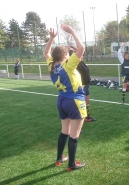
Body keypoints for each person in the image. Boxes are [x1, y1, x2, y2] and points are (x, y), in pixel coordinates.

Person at [44, 24, 86, 172]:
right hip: (74, 100)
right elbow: (81, 49)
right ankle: (72, 164)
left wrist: (51, 38)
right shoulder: (67, 65)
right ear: (64, 56)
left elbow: (46, 53)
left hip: (61, 100)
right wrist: (72, 31)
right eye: (68, 54)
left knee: (64, 132)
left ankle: (59, 158)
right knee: (74, 135)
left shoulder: (52, 65)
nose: (69, 56)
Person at [68, 46, 97, 122]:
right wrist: (72, 51)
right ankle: (75, 121)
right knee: (79, 105)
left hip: (86, 85)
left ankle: (87, 117)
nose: (82, 56)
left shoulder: (82, 63)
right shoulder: (75, 64)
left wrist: (75, 48)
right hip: (81, 86)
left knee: (87, 102)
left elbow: (81, 50)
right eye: (80, 55)